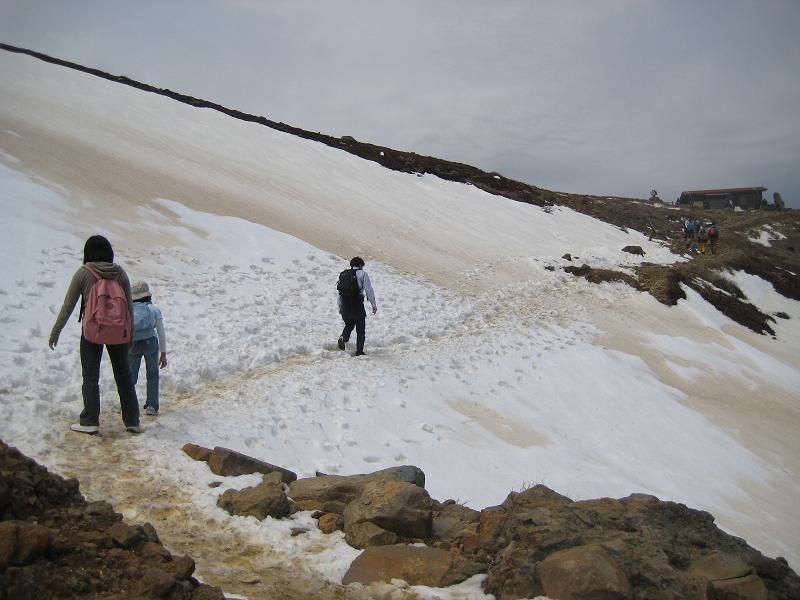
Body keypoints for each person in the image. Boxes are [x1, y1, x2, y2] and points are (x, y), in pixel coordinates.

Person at [48, 235, 141, 434]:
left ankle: (90, 421)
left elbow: (68, 306)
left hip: (92, 331)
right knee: (123, 375)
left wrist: (56, 331)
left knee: (90, 375)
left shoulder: (84, 273)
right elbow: (129, 309)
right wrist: (130, 335)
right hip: (118, 331)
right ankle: (132, 421)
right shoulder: (120, 274)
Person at [128, 281, 167, 416]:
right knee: (152, 375)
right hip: (150, 343)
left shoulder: (129, 310)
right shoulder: (154, 309)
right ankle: (152, 406)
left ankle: (128, 404)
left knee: (131, 376)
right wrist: (163, 353)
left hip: (132, 344)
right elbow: (161, 332)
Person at [336, 256, 378, 356]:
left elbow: (340, 291)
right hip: (357, 303)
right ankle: (359, 351)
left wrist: (340, 307)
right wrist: (373, 304)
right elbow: (368, 289)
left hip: (345, 303)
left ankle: (343, 338)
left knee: (349, 324)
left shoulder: (344, 274)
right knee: (360, 328)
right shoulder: (363, 274)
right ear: (360, 265)